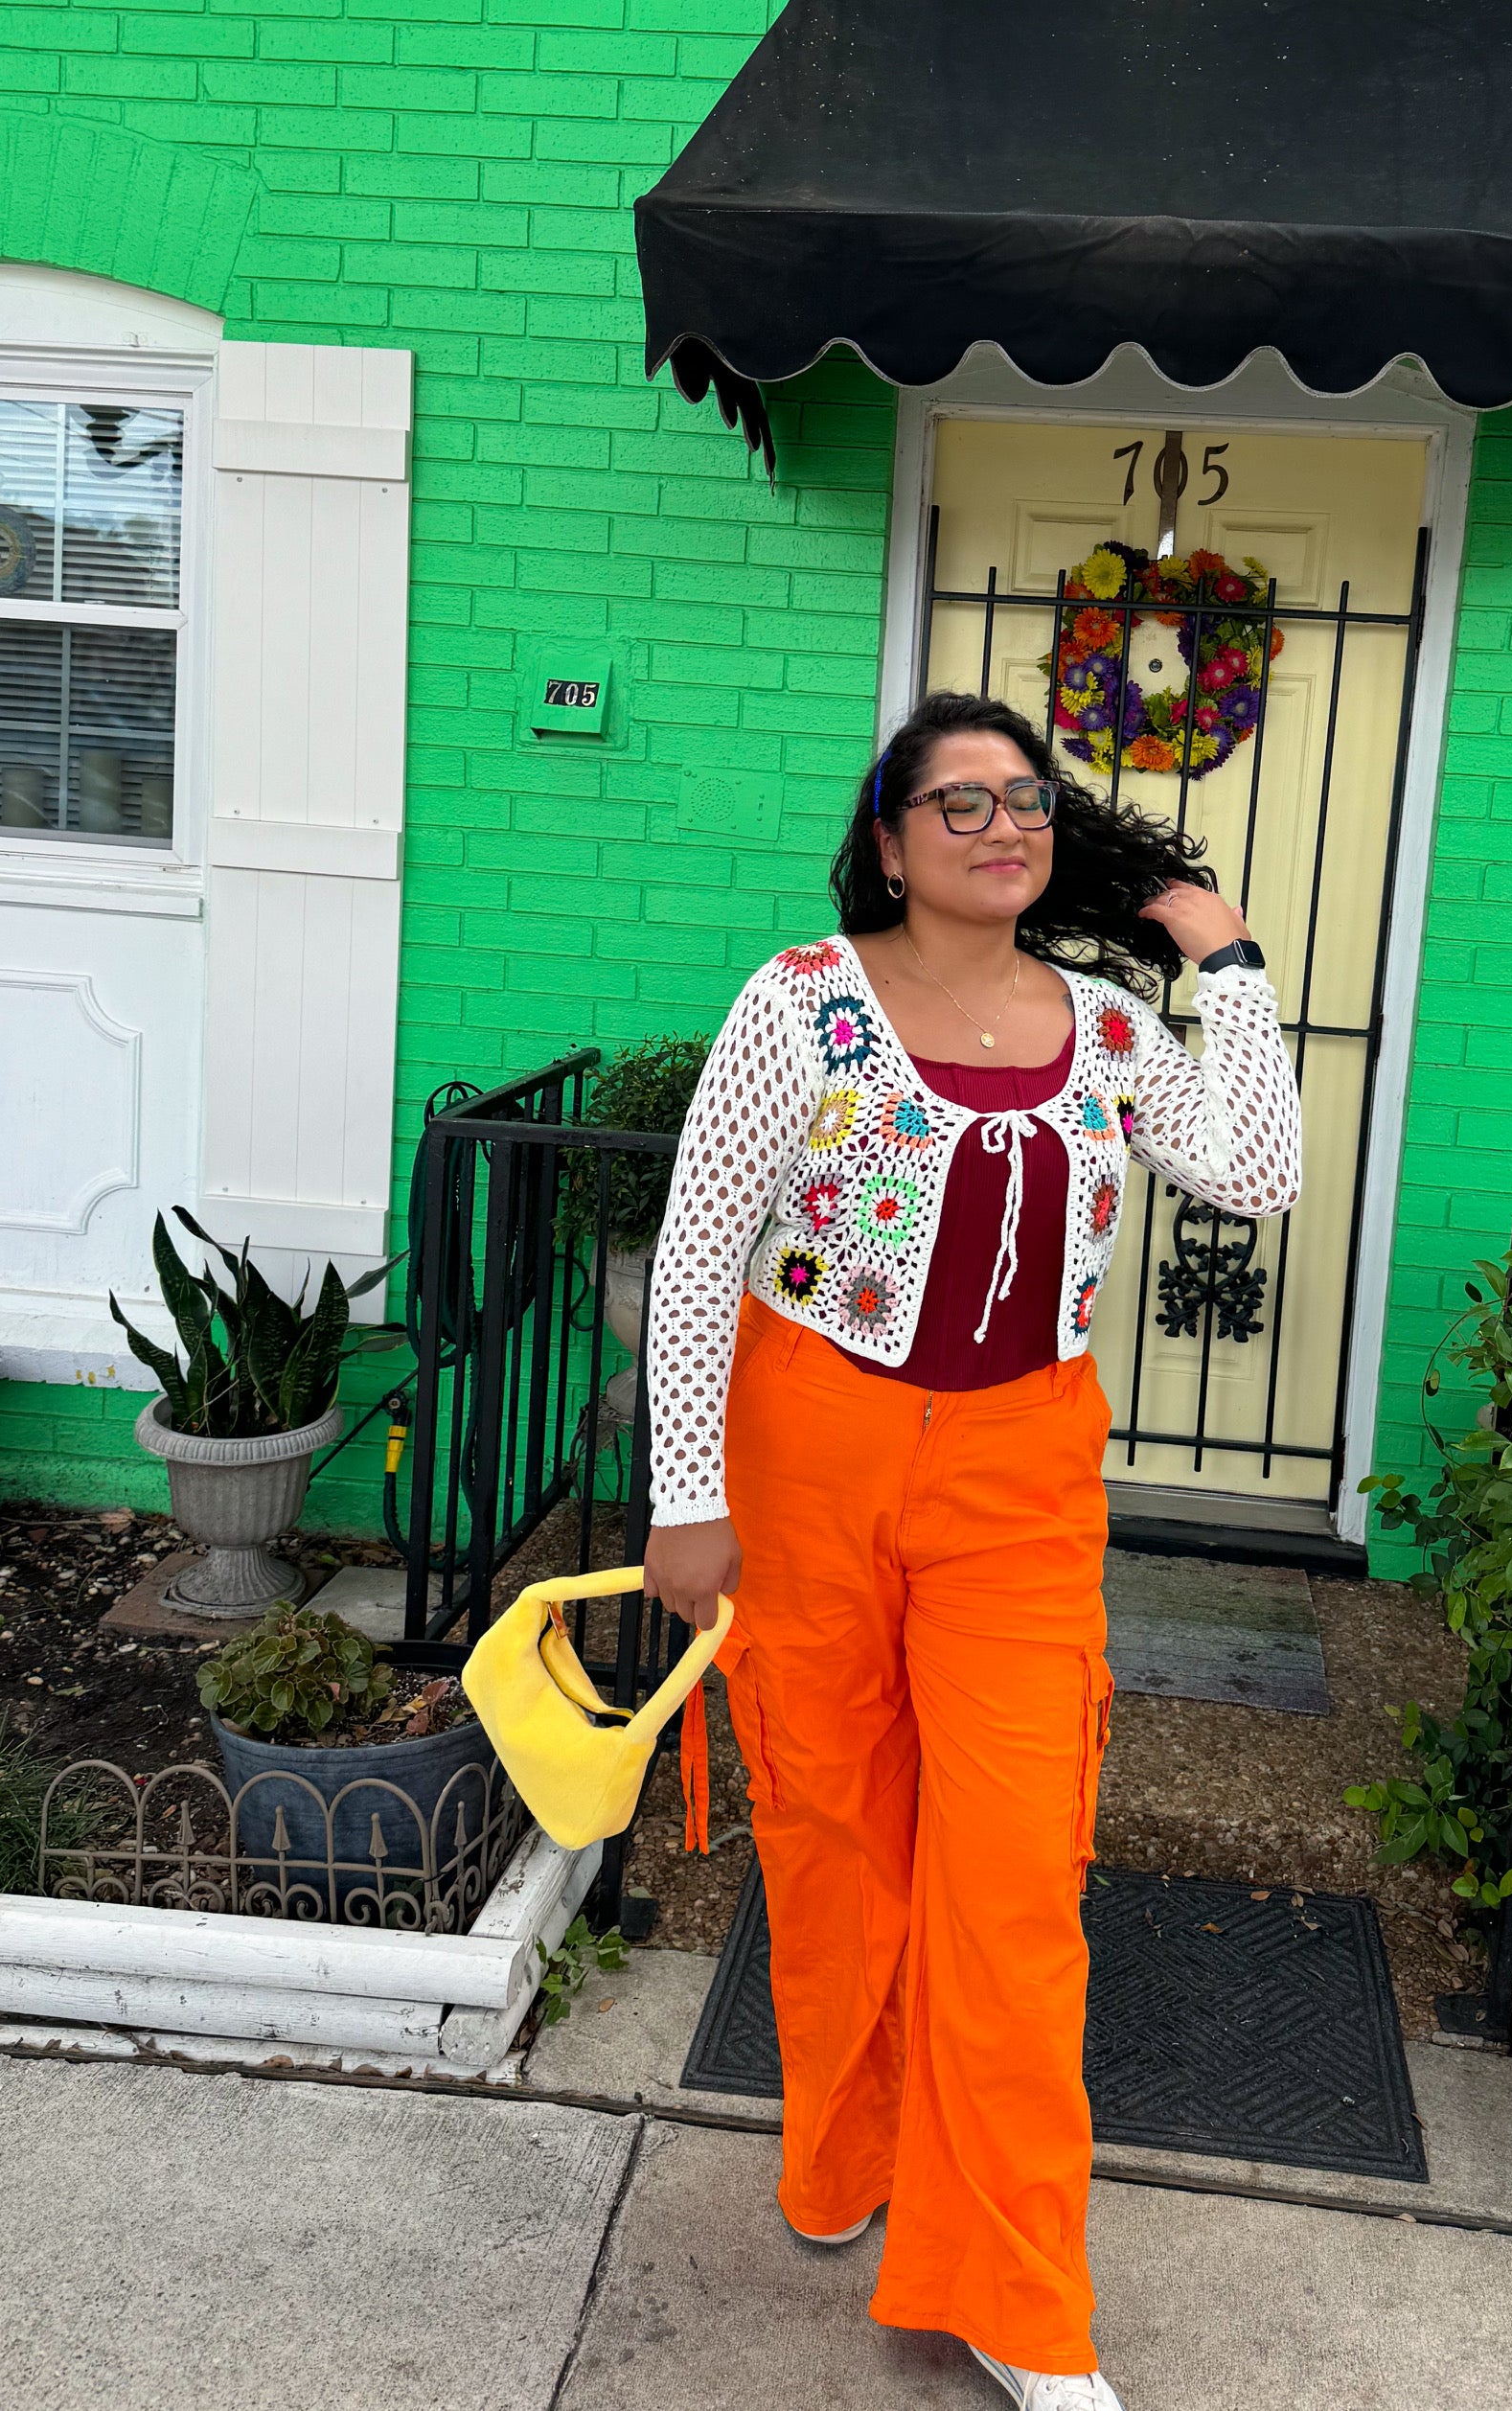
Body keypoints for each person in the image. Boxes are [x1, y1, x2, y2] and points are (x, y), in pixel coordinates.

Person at [643, 690, 1301, 2411]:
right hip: (812, 1454)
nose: (1004, 826)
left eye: (1027, 800)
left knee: (1013, 1881)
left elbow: (1258, 1174)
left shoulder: (1106, 1027)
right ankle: (845, 2153)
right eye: (961, 803)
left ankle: (1009, 2290)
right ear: (888, 840)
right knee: (834, 1831)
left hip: (1019, 1476)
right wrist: (685, 1494)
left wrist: (1225, 964)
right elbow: (702, 1248)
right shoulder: (803, 1001)